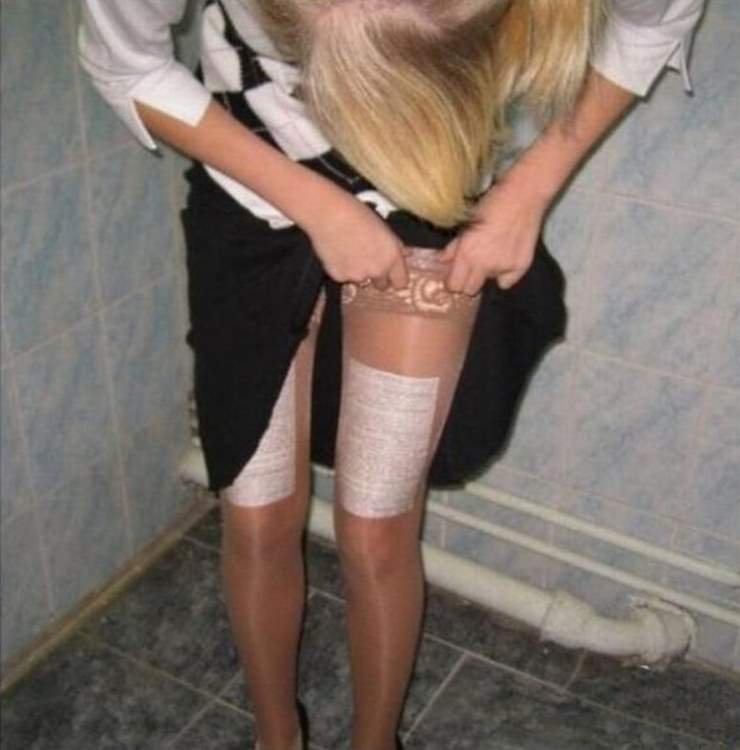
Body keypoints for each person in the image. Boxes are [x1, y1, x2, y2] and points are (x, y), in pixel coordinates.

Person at [78, 1, 705, 748]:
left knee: (378, 527)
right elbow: (125, 59)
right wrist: (316, 204)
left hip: (426, 187)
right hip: (252, 190)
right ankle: (277, 739)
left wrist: (530, 187)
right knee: (255, 513)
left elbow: (657, 16)